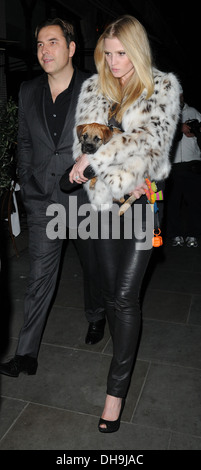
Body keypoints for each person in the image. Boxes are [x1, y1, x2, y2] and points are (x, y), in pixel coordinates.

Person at [69, 15, 180, 432]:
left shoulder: (162, 87)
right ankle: (123, 352)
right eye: (108, 54)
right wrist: (82, 163)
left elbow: (149, 150)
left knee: (123, 298)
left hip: (140, 204)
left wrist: (94, 157)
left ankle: (115, 393)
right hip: (102, 206)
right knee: (110, 294)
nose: (114, 63)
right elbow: (79, 145)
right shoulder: (93, 89)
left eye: (121, 54)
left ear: (136, 51)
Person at [0, 17, 106, 378]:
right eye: (40, 44)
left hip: (86, 200)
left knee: (92, 268)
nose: (45, 50)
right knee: (39, 277)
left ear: (72, 48)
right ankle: (26, 354)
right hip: (43, 197)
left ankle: (96, 315)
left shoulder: (95, 87)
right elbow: (26, 143)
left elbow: (112, 139)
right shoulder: (28, 90)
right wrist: (28, 184)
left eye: (53, 42)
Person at [165, 91, 201, 247]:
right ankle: (176, 235)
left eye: (179, 94)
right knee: (172, 204)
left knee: (194, 203)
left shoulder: (193, 112)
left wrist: (196, 131)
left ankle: (193, 235)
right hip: (172, 167)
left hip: (192, 165)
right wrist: (179, 128)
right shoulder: (166, 112)